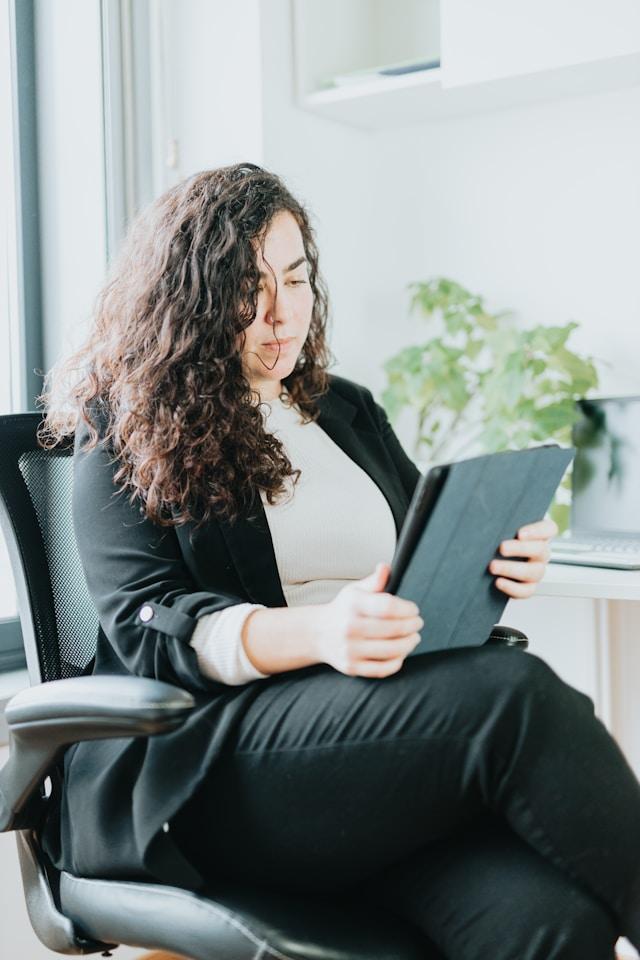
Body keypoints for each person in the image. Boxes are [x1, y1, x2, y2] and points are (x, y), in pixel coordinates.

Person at [40, 162, 640, 960]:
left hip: (367, 756)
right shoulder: (126, 421)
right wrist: (320, 633)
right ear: (187, 299)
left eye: (295, 279)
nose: (279, 313)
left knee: (552, 922)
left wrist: (495, 561)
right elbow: (147, 623)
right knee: (513, 698)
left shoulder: (345, 410)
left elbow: (425, 545)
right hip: (214, 765)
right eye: (246, 289)